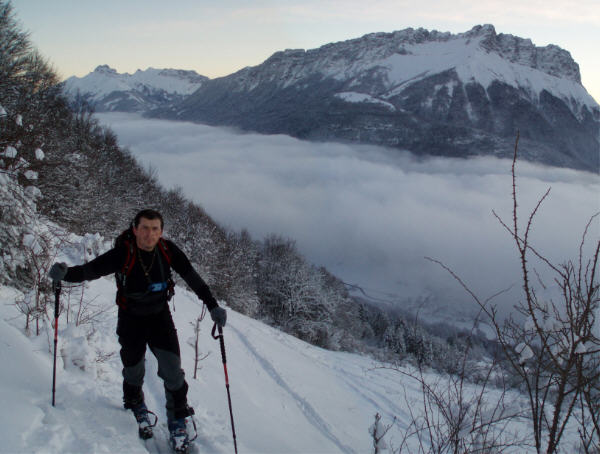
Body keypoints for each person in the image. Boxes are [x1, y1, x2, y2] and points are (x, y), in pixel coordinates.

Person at [49, 209, 226, 451]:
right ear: (135, 229)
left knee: (173, 370)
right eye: (144, 228)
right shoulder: (124, 252)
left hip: (159, 317)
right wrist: (65, 274)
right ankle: (134, 402)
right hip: (131, 317)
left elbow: (193, 278)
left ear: (161, 232)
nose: (149, 234)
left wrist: (213, 306)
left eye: (155, 229)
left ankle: (177, 419)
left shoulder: (168, 250)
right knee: (133, 367)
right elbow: (91, 270)